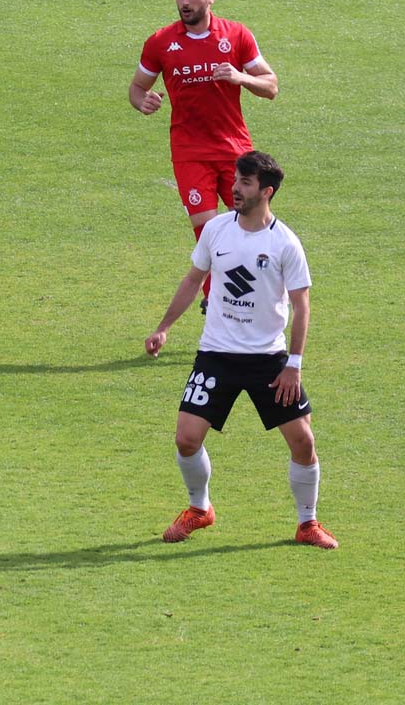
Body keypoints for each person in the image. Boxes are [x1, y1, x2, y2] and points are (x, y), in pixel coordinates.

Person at [144, 150, 337, 549]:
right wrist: (164, 328)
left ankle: (308, 523)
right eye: (235, 179)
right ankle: (200, 509)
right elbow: (194, 279)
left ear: (266, 191)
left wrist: (294, 365)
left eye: (245, 183)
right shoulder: (216, 230)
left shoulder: (285, 243)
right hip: (217, 354)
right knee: (186, 438)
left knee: (303, 441)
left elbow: (302, 306)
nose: (234, 188)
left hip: (269, 360)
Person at [130, 0, 279, 312]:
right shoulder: (160, 42)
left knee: (250, 226)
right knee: (208, 231)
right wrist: (143, 102)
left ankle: (251, 295)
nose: (185, 2)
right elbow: (137, 87)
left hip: (234, 150)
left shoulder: (237, 35)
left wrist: (241, 78)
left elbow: (271, 86)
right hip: (189, 151)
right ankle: (215, 299)